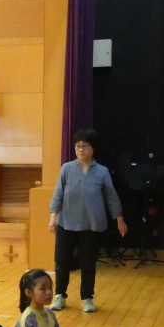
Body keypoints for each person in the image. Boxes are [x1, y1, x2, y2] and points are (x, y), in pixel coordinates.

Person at [48, 129, 127, 313]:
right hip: (66, 223)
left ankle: (87, 298)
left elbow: (111, 197)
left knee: (88, 264)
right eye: (77, 146)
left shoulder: (102, 171)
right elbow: (58, 194)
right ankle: (60, 296)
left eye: (85, 146)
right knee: (62, 262)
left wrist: (120, 219)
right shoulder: (67, 169)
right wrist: (52, 218)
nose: (81, 149)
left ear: (93, 149)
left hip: (91, 225)